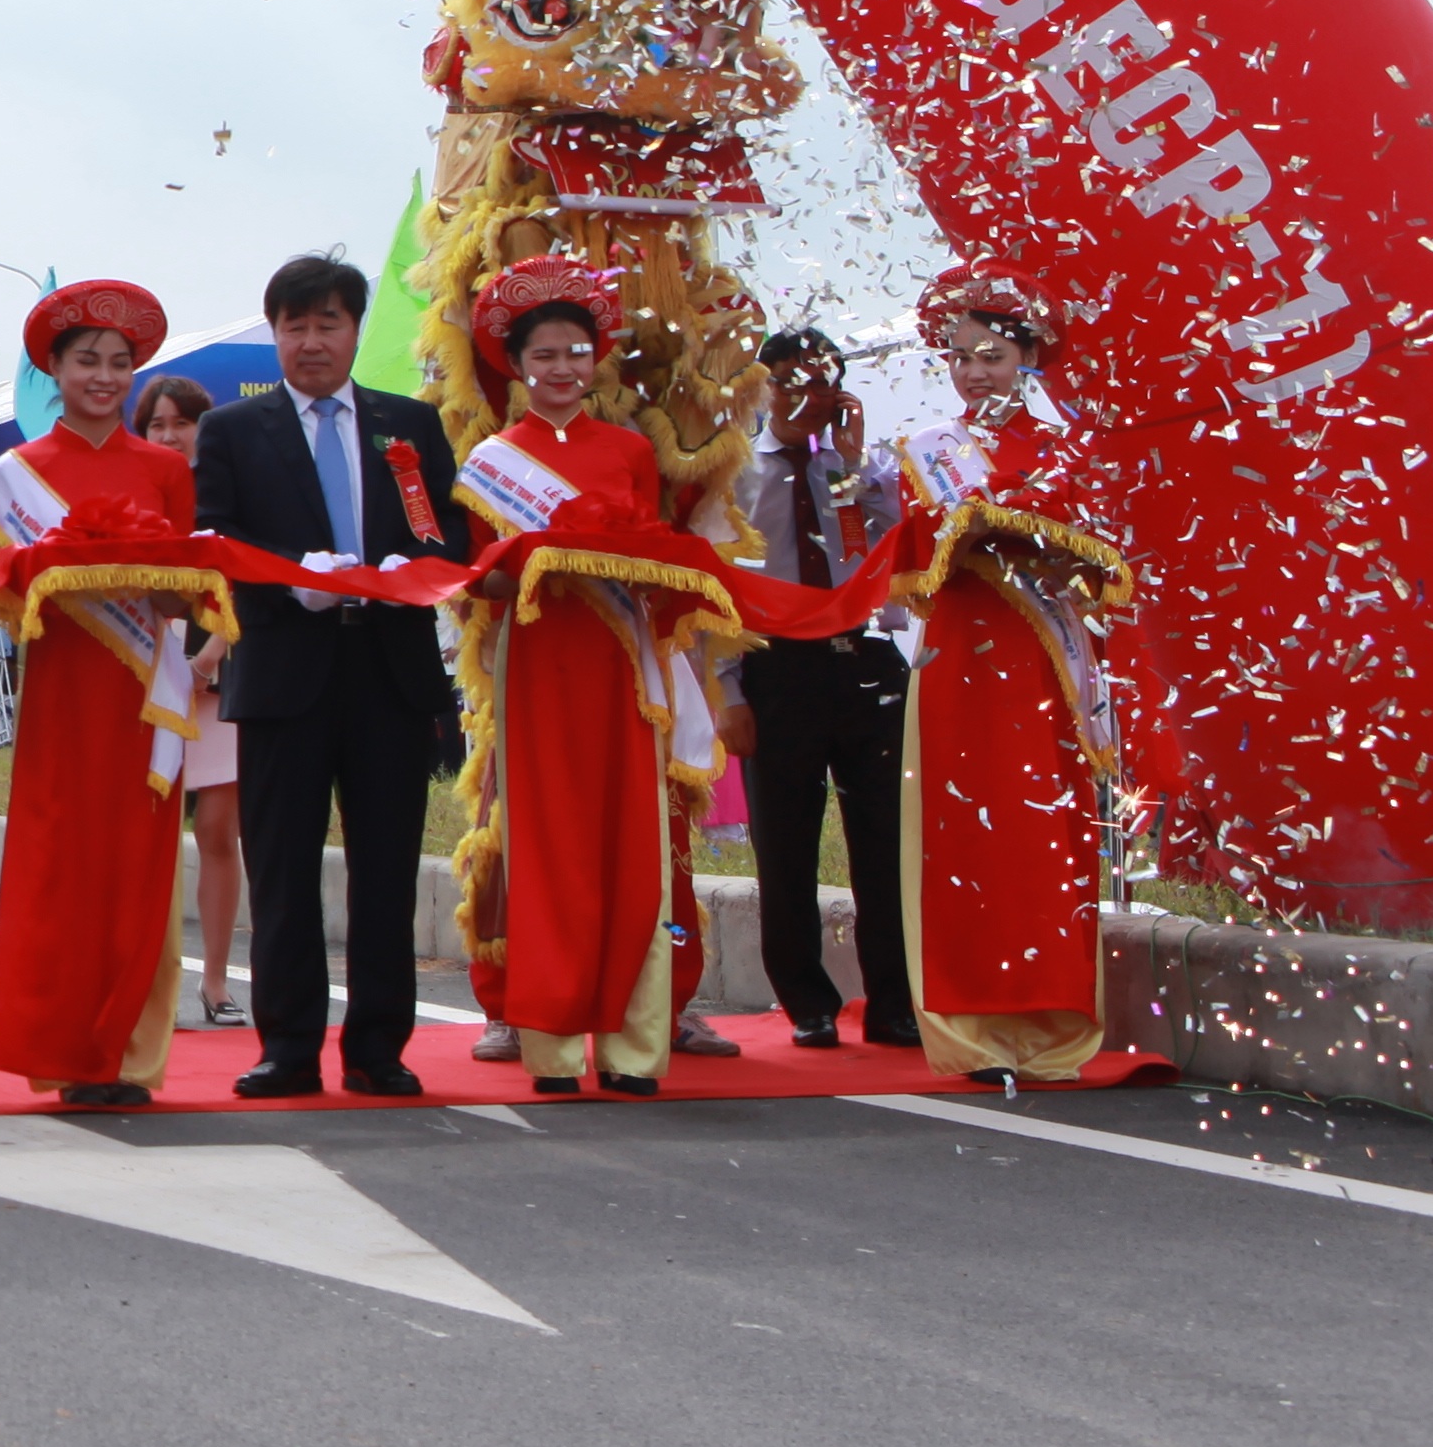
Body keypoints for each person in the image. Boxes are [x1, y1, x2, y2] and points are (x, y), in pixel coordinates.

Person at [192, 249, 470, 1100]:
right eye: (294, 325)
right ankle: (288, 1048)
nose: (311, 341)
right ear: (275, 335)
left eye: (328, 323)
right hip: (284, 669)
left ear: (354, 330)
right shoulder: (234, 430)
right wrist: (292, 581)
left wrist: (401, 570)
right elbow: (213, 543)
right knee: (281, 865)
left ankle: (380, 1047)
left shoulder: (409, 428)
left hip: (388, 669)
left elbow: (445, 541)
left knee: (384, 870)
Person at [447, 258, 691, 1096]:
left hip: (620, 662)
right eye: (544, 355)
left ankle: (632, 1049)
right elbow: (482, 577)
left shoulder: (628, 451)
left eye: (576, 353)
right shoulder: (492, 460)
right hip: (541, 658)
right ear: (517, 366)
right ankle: (549, 1045)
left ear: (597, 360)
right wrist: (538, 562)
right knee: (547, 845)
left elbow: (660, 554)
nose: (562, 369)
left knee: (630, 842)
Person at [900, 275, 1141, 1089]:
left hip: (1041, 667)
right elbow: (913, 567)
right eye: (962, 358)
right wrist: (968, 535)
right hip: (959, 666)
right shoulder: (930, 452)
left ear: (1028, 358)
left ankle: (1051, 1018)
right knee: (967, 835)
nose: (975, 374)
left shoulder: (1067, 451)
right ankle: (971, 1025)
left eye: (992, 357)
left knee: (1043, 837)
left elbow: (1105, 565)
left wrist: (1050, 544)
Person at [0, 284, 214, 1110]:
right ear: (55, 369)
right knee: (61, 865)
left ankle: (134, 1055)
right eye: (88, 362)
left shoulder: (164, 469)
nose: (105, 378)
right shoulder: (17, 476)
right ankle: (65, 1048)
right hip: (63, 694)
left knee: (142, 866)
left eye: (120, 364)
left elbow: (190, 588)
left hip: (146, 692)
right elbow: (3, 601)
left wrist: (174, 589)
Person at [731, 325, 915, 1050]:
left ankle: (894, 1000)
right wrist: (728, 691)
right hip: (779, 665)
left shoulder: (852, 467)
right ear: (765, 387)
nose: (806, 400)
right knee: (785, 844)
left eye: (821, 384)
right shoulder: (739, 469)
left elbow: (900, 543)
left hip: (865, 659)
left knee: (885, 844)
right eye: (790, 384)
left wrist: (855, 461)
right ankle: (806, 999)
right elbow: (719, 584)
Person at [130, 369, 251, 1027]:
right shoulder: (135, 495)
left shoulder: (223, 494)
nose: (170, 435)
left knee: (216, 832)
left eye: (182, 422)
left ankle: (215, 980)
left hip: (215, 678)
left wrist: (208, 656)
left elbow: (241, 582)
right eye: (157, 424)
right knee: (147, 834)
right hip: (149, 680)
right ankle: (147, 978)